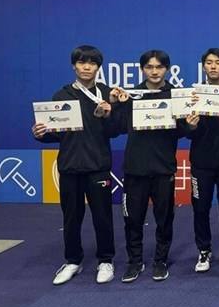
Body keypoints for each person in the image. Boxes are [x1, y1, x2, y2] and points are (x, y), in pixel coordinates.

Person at [32, 45, 121, 285]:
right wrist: (40, 133)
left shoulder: (106, 93)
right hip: (70, 166)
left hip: (98, 166)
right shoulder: (61, 95)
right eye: (82, 62)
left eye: (91, 63)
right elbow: (57, 133)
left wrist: (110, 114)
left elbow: (116, 131)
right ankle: (73, 261)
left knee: (102, 216)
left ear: (97, 67)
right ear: (74, 66)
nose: (86, 67)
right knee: (71, 218)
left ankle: (105, 260)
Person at [117, 50, 193, 283]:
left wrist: (190, 124)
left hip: (163, 168)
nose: (154, 71)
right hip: (135, 168)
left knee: (164, 219)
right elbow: (118, 127)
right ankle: (135, 262)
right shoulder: (130, 96)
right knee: (133, 220)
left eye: (159, 67)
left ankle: (160, 261)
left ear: (166, 69)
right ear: (142, 69)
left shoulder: (176, 95)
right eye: (149, 67)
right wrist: (119, 107)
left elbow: (182, 130)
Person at [188, 48, 219, 273]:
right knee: (201, 207)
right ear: (204, 66)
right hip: (201, 162)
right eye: (209, 62)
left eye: (218, 62)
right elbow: (186, 130)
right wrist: (192, 125)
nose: (214, 66)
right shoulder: (194, 94)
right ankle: (203, 250)